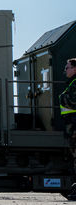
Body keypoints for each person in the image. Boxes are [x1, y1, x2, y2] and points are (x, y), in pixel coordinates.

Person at [59, 59, 76, 190]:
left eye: (68, 67)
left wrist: (62, 98)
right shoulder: (72, 84)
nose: (65, 70)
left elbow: (71, 101)